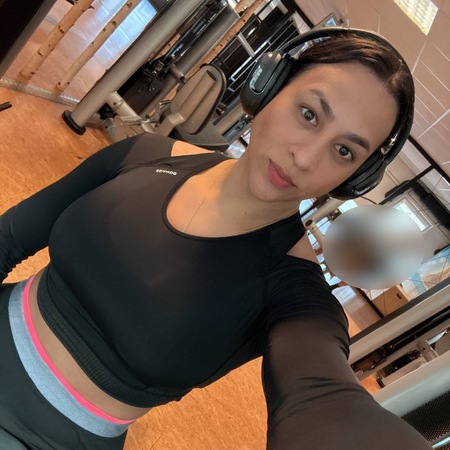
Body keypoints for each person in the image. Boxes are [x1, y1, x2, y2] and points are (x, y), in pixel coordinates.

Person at [0, 28, 432, 449]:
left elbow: (323, 400)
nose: (304, 157)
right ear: (268, 88)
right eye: (308, 114)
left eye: (344, 151)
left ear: (354, 179)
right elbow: (10, 237)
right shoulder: (145, 154)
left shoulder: (296, 295)